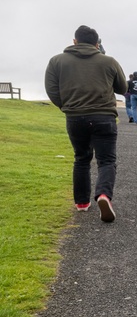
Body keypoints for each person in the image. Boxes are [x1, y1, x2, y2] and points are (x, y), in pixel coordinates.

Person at [44, 24, 128, 223]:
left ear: (74, 41)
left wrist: (65, 106)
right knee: (106, 160)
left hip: (75, 116)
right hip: (104, 116)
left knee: (81, 158)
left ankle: (82, 203)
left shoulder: (56, 61)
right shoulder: (109, 61)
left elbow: (51, 89)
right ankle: (103, 195)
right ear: (97, 44)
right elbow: (122, 88)